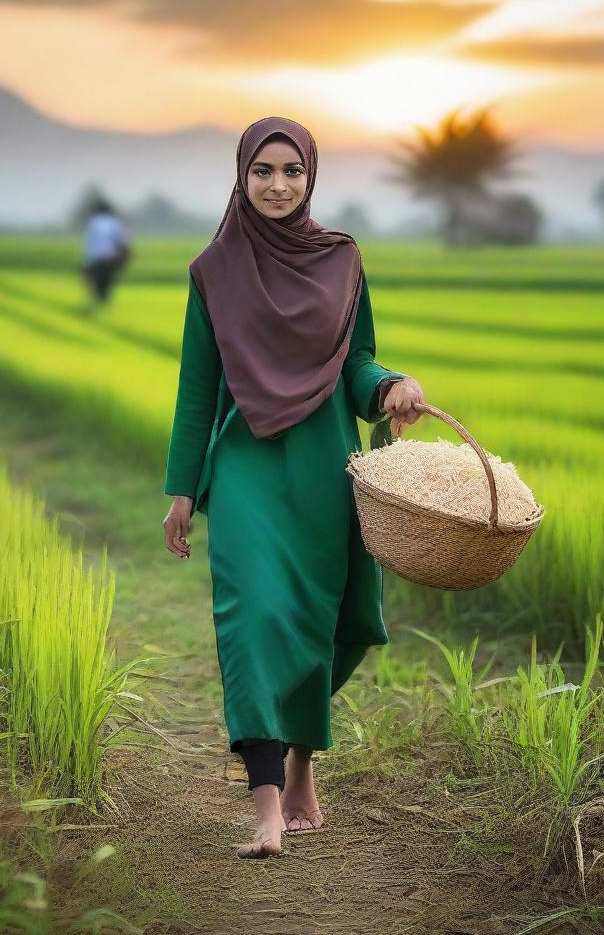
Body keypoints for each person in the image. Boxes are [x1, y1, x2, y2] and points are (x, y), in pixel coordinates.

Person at [161, 117, 425, 860]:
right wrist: (184, 487)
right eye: (263, 172)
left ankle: (306, 760)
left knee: (325, 619)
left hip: (323, 462)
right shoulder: (213, 269)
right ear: (241, 177)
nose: (278, 186)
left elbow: (357, 361)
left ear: (311, 177)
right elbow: (197, 385)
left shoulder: (341, 261)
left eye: (292, 172)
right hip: (245, 462)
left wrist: (390, 389)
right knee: (251, 619)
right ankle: (267, 809)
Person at [82, 197, 131, 306]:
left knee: (96, 285)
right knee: (106, 285)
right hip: (110, 259)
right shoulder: (115, 223)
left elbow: (88, 244)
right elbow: (123, 241)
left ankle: (96, 304)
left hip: (94, 259)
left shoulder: (93, 223)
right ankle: (104, 304)